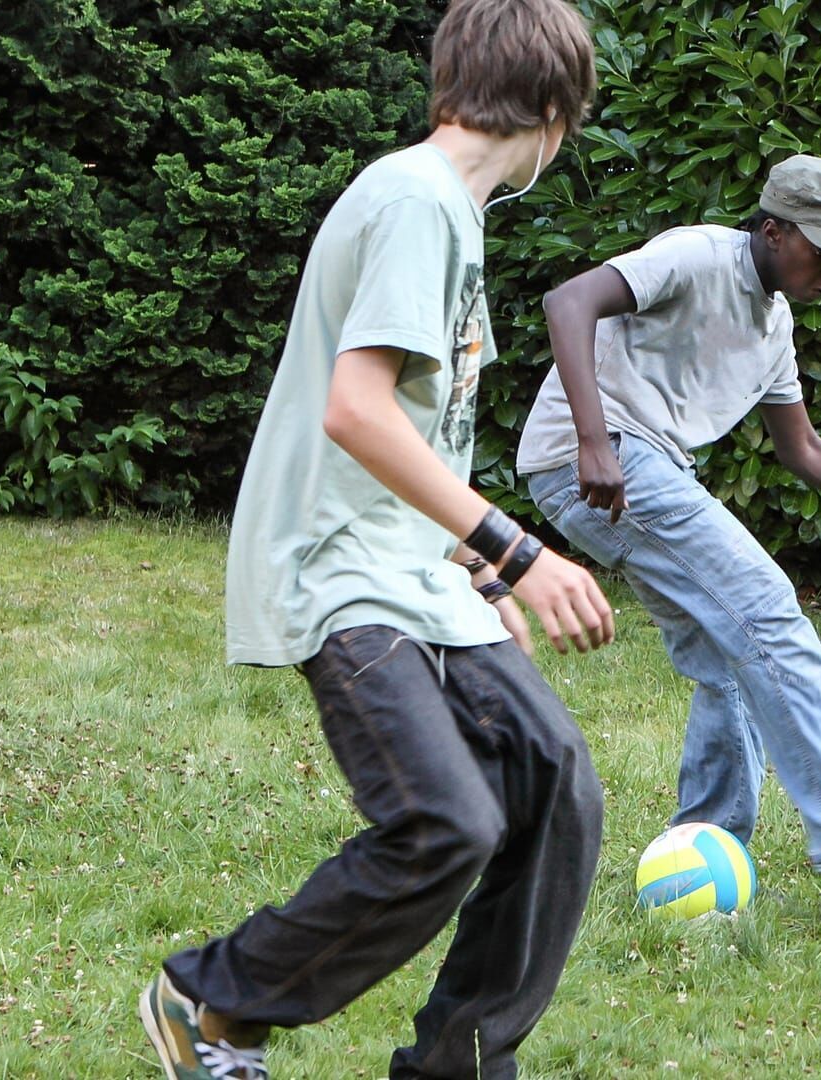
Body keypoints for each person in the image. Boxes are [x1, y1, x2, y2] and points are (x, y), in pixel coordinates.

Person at [140, 3, 613, 1077]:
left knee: (555, 786)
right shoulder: (414, 202)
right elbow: (354, 412)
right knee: (445, 822)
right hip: (342, 573)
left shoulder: (446, 210)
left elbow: (420, 435)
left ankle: (460, 1065)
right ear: (551, 112)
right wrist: (527, 555)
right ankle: (210, 995)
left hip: (417, 570)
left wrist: (481, 570)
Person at [517, 154, 821, 897]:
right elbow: (568, 300)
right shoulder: (695, 256)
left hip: (644, 469)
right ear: (773, 231)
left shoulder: (774, 326)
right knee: (768, 613)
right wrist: (591, 439)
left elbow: (801, 448)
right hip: (603, 462)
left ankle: (702, 844)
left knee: (727, 652)